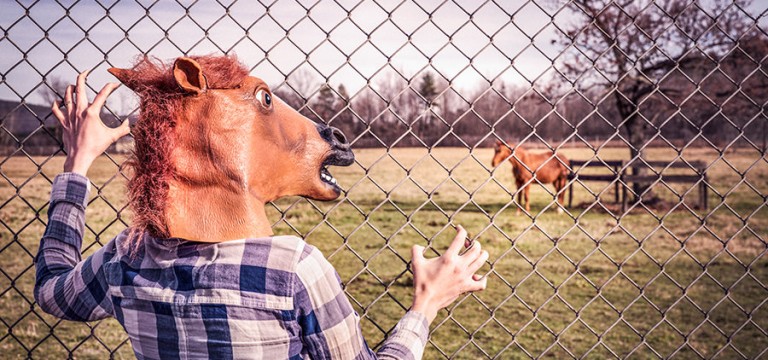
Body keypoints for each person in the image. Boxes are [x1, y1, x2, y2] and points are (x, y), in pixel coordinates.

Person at [35, 70, 489, 359]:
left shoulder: (126, 260)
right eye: (264, 102)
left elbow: (53, 291)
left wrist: (77, 165)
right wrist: (425, 304)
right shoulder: (293, 270)